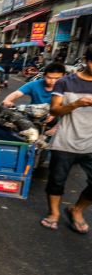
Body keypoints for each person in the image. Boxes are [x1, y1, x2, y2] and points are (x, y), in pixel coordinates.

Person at [40, 45, 92, 234]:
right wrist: (76, 104)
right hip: (65, 141)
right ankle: (54, 213)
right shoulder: (65, 82)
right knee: (57, 180)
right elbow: (54, 110)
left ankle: (77, 210)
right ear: (86, 60)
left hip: (91, 144)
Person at [2, 62, 67, 106]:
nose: (53, 81)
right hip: (34, 116)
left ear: (64, 77)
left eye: (57, 78)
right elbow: (17, 93)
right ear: (44, 76)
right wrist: (7, 100)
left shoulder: (67, 89)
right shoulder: (35, 84)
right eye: (49, 78)